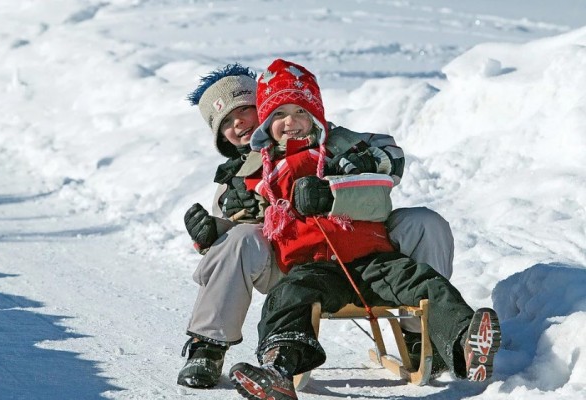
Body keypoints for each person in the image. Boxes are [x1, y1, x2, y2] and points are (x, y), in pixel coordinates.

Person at [227, 59, 501, 400]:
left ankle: (463, 343)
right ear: (267, 123)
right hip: (313, 267)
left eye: (301, 112)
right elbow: (240, 217)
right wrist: (226, 212)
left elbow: (385, 168)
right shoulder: (262, 170)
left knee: (424, 281)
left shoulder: (342, 149)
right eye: (280, 115)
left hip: (372, 258)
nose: (292, 123)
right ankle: (278, 368)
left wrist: (345, 178)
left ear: (315, 115)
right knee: (289, 298)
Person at [177, 64, 455, 388]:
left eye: (243, 110)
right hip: (289, 264)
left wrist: (365, 162)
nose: (238, 123)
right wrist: (212, 231)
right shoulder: (234, 181)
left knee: (424, 222)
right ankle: (207, 348)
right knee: (239, 238)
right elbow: (230, 250)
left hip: (365, 249)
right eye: (225, 122)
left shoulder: (335, 139)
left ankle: (424, 333)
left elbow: (391, 156)